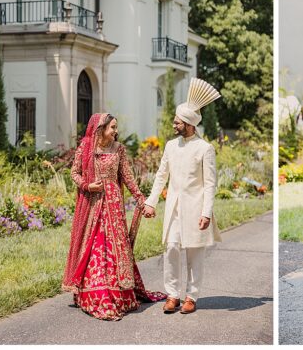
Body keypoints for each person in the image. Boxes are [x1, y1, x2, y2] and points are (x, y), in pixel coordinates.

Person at [62, 113, 167, 320]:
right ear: (100, 128)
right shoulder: (86, 146)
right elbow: (74, 172)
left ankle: (118, 293)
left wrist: (141, 199)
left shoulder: (119, 149)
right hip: (93, 205)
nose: (116, 131)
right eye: (112, 127)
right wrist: (87, 185)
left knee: (114, 248)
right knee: (95, 247)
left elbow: (127, 177)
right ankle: (96, 294)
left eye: (116, 127)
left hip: (114, 205)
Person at [142, 77, 222, 315]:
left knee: (195, 253)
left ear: (189, 124)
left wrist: (206, 212)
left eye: (177, 121)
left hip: (196, 208)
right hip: (174, 208)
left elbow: (210, 184)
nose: (174, 124)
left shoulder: (205, 148)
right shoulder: (169, 146)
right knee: (172, 249)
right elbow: (160, 176)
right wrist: (151, 202)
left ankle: (191, 296)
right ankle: (172, 295)